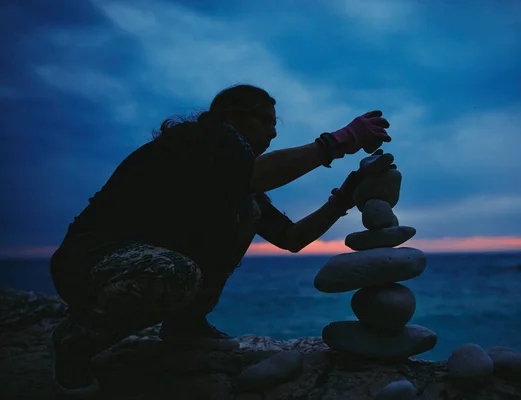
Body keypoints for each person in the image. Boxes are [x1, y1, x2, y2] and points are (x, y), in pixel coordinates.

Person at [48, 84, 394, 397]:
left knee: (246, 213)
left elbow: (291, 238)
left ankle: (186, 324)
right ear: (232, 119)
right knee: (174, 272)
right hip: (91, 260)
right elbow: (254, 174)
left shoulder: (238, 183)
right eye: (265, 121)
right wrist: (340, 140)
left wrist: (342, 200)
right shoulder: (202, 138)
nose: (273, 132)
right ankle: (74, 344)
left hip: (131, 265)